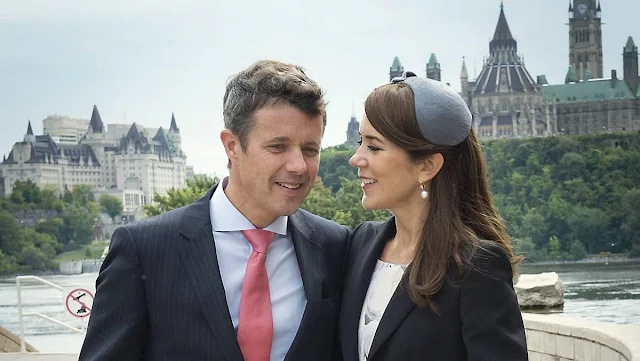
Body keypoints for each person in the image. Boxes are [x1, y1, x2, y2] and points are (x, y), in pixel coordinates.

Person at [79, 60, 349, 361]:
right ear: (232, 145)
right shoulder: (143, 249)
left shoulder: (334, 245)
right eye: (277, 147)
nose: (299, 166)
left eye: (310, 150)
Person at [338, 72, 528, 361]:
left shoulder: (478, 268)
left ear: (426, 166)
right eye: (359, 143)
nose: (356, 159)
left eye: (374, 147)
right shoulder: (361, 243)